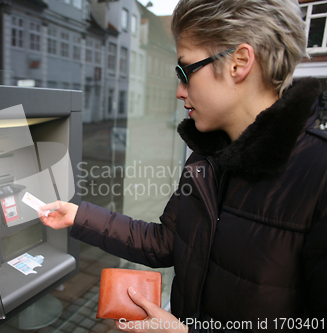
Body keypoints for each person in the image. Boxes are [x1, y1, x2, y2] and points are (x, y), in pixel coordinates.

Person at [39, 0, 327, 332]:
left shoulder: (319, 174)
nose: (179, 91)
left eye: (185, 71)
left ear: (239, 62)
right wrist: (79, 216)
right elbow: (166, 242)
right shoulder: (208, 158)